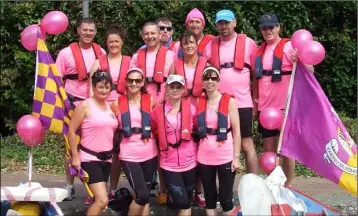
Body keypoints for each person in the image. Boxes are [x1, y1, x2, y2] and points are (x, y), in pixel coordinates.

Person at [254, 13, 313, 186]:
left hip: (286, 109)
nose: (268, 31)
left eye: (271, 27)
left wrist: (300, 60)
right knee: (269, 151)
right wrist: (255, 103)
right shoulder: (260, 50)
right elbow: (256, 80)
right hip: (266, 110)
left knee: (288, 151)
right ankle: (274, 185)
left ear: (278, 27)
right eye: (264, 28)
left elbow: (310, 71)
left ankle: (287, 186)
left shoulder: (289, 47)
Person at [55, 17, 106, 201]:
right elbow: (56, 81)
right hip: (72, 105)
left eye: (91, 30)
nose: (88, 33)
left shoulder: (100, 52)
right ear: (78, 31)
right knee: (71, 147)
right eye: (85, 30)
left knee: (94, 147)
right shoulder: (65, 53)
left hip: (93, 105)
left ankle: (95, 190)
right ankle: (69, 185)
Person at [203, 10, 259, 175]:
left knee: (247, 144)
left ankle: (254, 186)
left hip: (242, 103)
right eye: (220, 23)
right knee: (222, 144)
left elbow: (257, 76)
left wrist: (256, 101)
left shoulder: (248, 43)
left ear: (234, 22)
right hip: (219, 104)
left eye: (227, 22)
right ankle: (225, 190)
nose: (224, 26)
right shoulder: (210, 45)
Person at [88, 24, 131, 202]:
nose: (113, 44)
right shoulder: (99, 62)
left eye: (117, 41)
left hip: (121, 108)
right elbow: (91, 88)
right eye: (110, 41)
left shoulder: (130, 61)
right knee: (98, 150)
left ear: (122, 43)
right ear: (106, 43)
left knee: (116, 152)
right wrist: (92, 110)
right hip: (102, 109)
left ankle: (112, 189)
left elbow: (134, 86)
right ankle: (97, 191)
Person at [196, 66, 243, 216]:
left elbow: (236, 132)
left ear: (219, 82)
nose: (210, 81)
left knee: (226, 198)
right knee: (209, 197)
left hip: (225, 155)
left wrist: (236, 157)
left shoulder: (229, 101)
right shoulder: (198, 102)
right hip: (204, 156)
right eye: (206, 78)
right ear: (202, 82)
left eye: (213, 78)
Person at [68, 71, 118, 216]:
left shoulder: (110, 107)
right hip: (89, 159)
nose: (103, 90)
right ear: (94, 87)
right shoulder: (85, 105)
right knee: (102, 200)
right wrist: (75, 156)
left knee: (98, 200)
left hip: (107, 159)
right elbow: (71, 131)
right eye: (100, 87)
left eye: (107, 87)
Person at [111, 67, 158, 216]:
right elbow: (109, 128)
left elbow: (158, 124)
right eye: (131, 80)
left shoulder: (150, 100)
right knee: (142, 194)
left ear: (142, 82)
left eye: (138, 80)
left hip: (150, 152)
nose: (134, 83)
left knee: (144, 198)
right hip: (129, 153)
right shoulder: (117, 103)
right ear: (125, 82)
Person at [151, 74, 198, 216]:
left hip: (190, 162)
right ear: (166, 89)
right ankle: (171, 200)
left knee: (187, 201)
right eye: (172, 87)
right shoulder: (157, 111)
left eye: (179, 87)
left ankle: (171, 204)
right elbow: (153, 131)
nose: (175, 90)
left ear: (184, 90)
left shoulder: (191, 109)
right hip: (169, 163)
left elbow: (197, 130)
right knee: (182, 202)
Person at [173, 31, 208, 207]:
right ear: (181, 46)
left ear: (197, 44)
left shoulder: (205, 63)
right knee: (184, 148)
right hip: (182, 110)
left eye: (192, 42)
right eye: (185, 43)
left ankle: (199, 191)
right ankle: (180, 190)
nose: (189, 46)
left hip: (200, 110)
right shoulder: (176, 64)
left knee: (200, 149)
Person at [130, 22, 175, 103]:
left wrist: (167, 96)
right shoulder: (136, 57)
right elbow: (132, 81)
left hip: (165, 99)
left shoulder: (171, 55)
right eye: (146, 34)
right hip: (142, 99)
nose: (150, 36)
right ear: (143, 37)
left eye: (153, 33)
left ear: (159, 35)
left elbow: (174, 79)